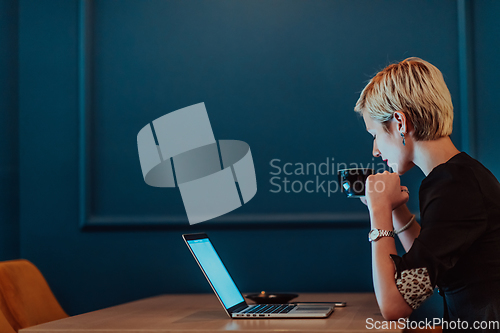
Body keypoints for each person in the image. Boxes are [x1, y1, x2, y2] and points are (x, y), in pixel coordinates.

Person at [354, 57, 500, 330]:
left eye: (374, 134)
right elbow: (427, 270)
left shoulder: (454, 186)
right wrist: (397, 210)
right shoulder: (458, 176)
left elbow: (395, 305)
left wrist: (379, 212)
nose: (375, 150)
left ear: (399, 122)